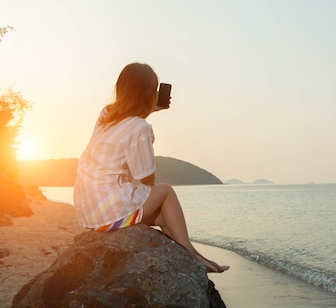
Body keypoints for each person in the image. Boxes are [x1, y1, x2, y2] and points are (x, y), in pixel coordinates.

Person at [73, 62, 229, 273]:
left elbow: (128, 118)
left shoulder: (106, 115)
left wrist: (151, 108)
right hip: (108, 210)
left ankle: (195, 257)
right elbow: (146, 179)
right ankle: (193, 255)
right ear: (148, 93)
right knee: (166, 191)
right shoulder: (140, 128)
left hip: (88, 211)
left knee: (166, 218)